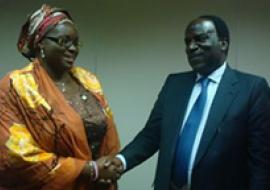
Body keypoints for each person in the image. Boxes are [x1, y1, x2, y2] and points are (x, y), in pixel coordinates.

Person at [104, 15, 270, 190]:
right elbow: (151, 135)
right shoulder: (175, 84)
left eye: (200, 39)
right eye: (188, 42)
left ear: (223, 44)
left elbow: (261, 162)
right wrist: (120, 161)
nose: (191, 47)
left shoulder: (251, 88)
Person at [0, 4, 120, 190]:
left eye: (76, 42)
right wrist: (90, 169)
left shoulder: (89, 80)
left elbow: (108, 133)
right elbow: (15, 155)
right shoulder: (16, 85)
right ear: (41, 43)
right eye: (64, 41)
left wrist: (109, 166)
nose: (73, 49)